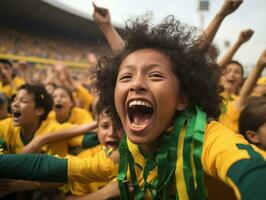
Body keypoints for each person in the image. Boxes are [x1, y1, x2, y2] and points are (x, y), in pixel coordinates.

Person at [1, 10, 266, 200]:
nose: (135, 84)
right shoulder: (127, 151)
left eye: (155, 75)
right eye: (125, 77)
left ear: (182, 98)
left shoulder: (207, 139)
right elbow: (68, 168)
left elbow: (250, 171)